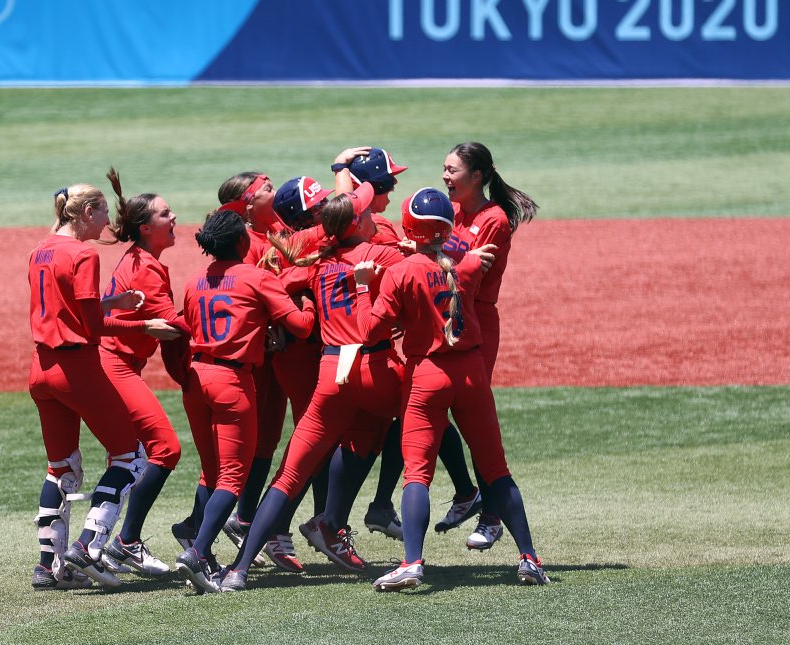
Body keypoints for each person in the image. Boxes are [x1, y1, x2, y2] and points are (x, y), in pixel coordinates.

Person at [351, 187, 549, 589]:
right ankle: (529, 557)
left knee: (417, 475)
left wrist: (361, 287)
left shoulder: (400, 272)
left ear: (409, 227)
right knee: (496, 470)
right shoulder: (469, 265)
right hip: (472, 372)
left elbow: (369, 329)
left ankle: (412, 562)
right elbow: (457, 268)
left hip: (428, 376)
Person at [220, 183, 408, 591]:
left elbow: (277, 282)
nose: (373, 215)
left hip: (330, 374)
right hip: (372, 366)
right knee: (424, 418)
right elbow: (423, 279)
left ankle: (238, 569)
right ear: (357, 221)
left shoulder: (317, 264)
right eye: (366, 211)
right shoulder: (380, 255)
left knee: (290, 475)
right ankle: (448, 510)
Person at [28, 181, 179, 591]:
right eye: (102, 213)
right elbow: (91, 327)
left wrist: (112, 303)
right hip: (76, 368)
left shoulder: (41, 248)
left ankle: (48, 567)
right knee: (129, 458)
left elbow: (66, 307)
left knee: (62, 468)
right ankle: (91, 543)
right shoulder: (82, 253)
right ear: (85, 213)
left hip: (40, 369)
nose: (109, 222)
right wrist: (143, 324)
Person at [175, 209, 316, 594]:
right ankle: (199, 552)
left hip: (195, 379)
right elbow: (301, 327)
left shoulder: (192, 282)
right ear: (242, 243)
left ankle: (195, 539)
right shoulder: (257, 277)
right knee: (234, 478)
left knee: (210, 473)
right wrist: (307, 301)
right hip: (232, 383)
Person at [431, 142, 539, 551]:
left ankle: (492, 515)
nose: (445, 176)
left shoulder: (493, 219)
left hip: (476, 318)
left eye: (452, 170)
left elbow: (466, 276)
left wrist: (442, 258)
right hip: (442, 313)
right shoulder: (452, 211)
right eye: (444, 168)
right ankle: (466, 492)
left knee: (474, 415)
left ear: (478, 176)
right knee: (426, 403)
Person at [97, 169, 190, 577]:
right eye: (166, 214)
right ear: (146, 227)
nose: (175, 219)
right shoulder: (147, 268)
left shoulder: (140, 259)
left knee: (124, 459)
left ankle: (92, 546)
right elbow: (172, 325)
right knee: (166, 449)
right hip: (114, 365)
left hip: (113, 364)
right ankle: (126, 542)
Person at [330, 145, 411, 540]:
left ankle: (330, 521)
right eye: (389, 182)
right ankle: (376, 506)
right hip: (371, 356)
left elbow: (348, 197)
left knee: (351, 439)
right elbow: (416, 278)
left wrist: (340, 165)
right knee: (418, 413)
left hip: (334, 354)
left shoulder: (332, 231)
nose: (392, 190)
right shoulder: (381, 234)